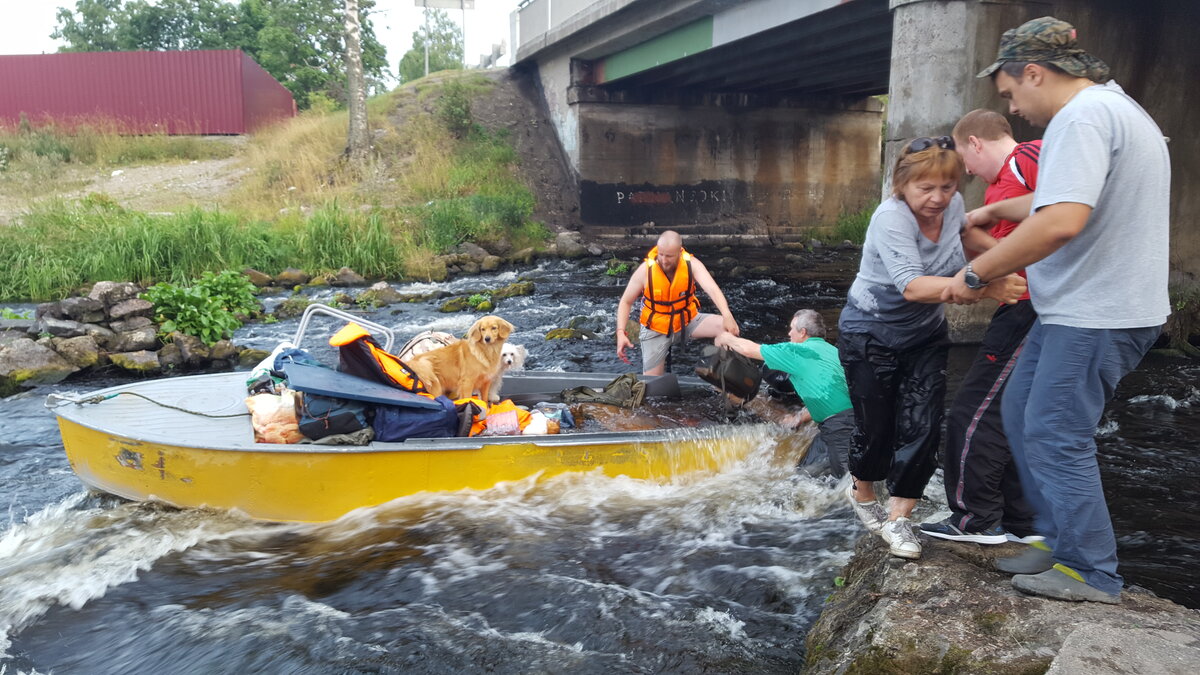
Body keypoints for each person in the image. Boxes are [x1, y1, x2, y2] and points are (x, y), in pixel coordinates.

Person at [943, 17, 1169, 604]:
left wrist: (976, 273)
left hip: (1097, 311)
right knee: (1020, 411)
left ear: (1036, 72)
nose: (1013, 109)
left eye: (1012, 93)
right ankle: (1054, 538)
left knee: (1055, 431)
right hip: (1076, 307)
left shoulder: (1082, 117)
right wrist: (995, 213)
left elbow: (1062, 220)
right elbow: (1059, 196)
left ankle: (1089, 570)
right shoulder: (1114, 107)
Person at [839, 136, 1026, 560]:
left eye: (948, 187)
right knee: (877, 429)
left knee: (923, 425)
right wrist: (986, 286)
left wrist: (1013, 257)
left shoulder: (953, 207)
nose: (938, 198)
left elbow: (965, 237)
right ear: (901, 185)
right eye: (926, 188)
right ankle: (862, 490)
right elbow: (912, 286)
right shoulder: (891, 219)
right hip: (870, 333)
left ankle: (899, 518)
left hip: (925, 336)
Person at [918, 110, 1042, 545]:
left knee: (972, 412)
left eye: (967, 161)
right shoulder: (1002, 184)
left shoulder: (1029, 155)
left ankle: (976, 520)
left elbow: (1063, 206)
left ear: (976, 143)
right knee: (1009, 414)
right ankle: (1024, 525)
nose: (968, 171)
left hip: (1033, 307)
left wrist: (979, 226)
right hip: (1027, 302)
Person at [714, 309, 853, 476]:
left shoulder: (798, 352)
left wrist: (725, 337)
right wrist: (799, 418)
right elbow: (832, 394)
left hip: (841, 426)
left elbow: (749, 350)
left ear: (803, 333)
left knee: (851, 484)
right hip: (856, 419)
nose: (789, 333)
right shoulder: (833, 352)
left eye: (792, 328)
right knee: (804, 475)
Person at [616, 230, 740, 375]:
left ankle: (719, 379)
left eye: (669, 256)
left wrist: (727, 315)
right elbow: (626, 301)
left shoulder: (691, 265)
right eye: (660, 254)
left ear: (679, 253)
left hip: (686, 320)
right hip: (656, 328)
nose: (663, 260)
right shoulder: (645, 271)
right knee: (652, 385)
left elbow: (712, 289)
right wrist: (620, 333)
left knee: (727, 328)